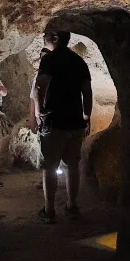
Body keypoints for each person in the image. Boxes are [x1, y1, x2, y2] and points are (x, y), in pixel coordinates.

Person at [31, 29, 92, 223]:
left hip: (54, 121)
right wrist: (86, 117)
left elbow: (40, 86)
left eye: (46, 35)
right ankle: (72, 206)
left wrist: (39, 112)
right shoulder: (79, 62)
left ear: (55, 39)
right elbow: (87, 92)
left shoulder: (49, 59)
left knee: (50, 166)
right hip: (75, 122)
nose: (43, 37)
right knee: (72, 165)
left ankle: (49, 211)